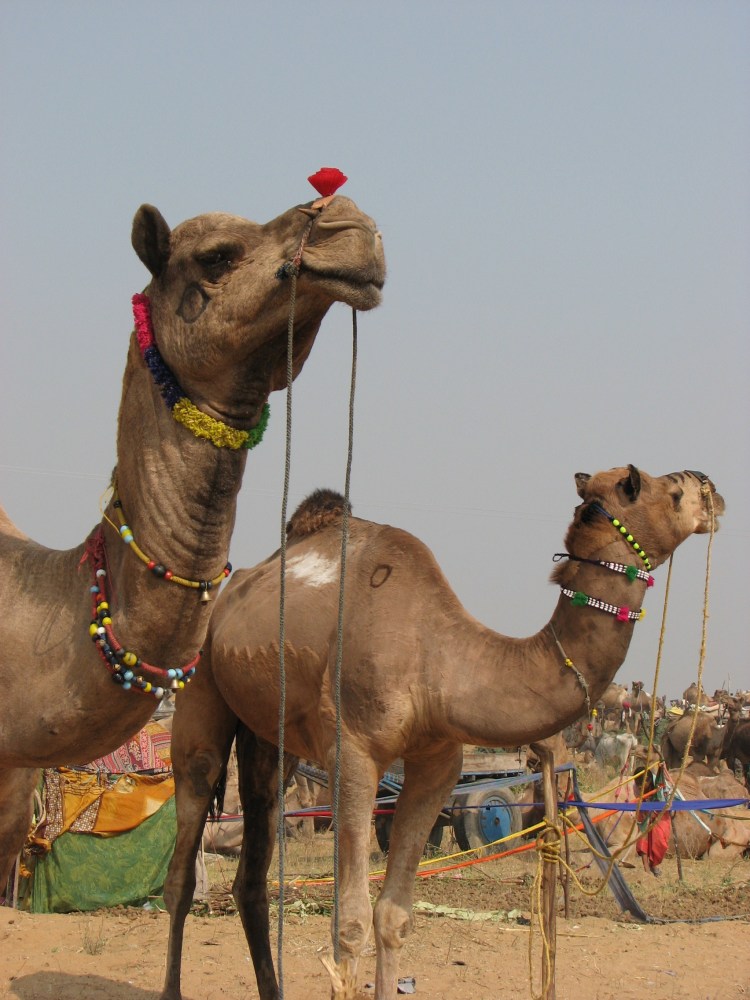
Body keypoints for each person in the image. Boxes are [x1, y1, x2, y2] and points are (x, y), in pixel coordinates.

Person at [635, 764, 671, 877]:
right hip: (644, 813)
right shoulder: (636, 788)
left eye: (641, 784)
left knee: (659, 840)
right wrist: (646, 814)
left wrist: (655, 813)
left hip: (660, 815)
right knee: (643, 838)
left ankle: (653, 864)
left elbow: (665, 802)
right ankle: (646, 869)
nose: (639, 787)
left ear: (649, 781)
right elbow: (638, 802)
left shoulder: (659, 786)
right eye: (637, 784)